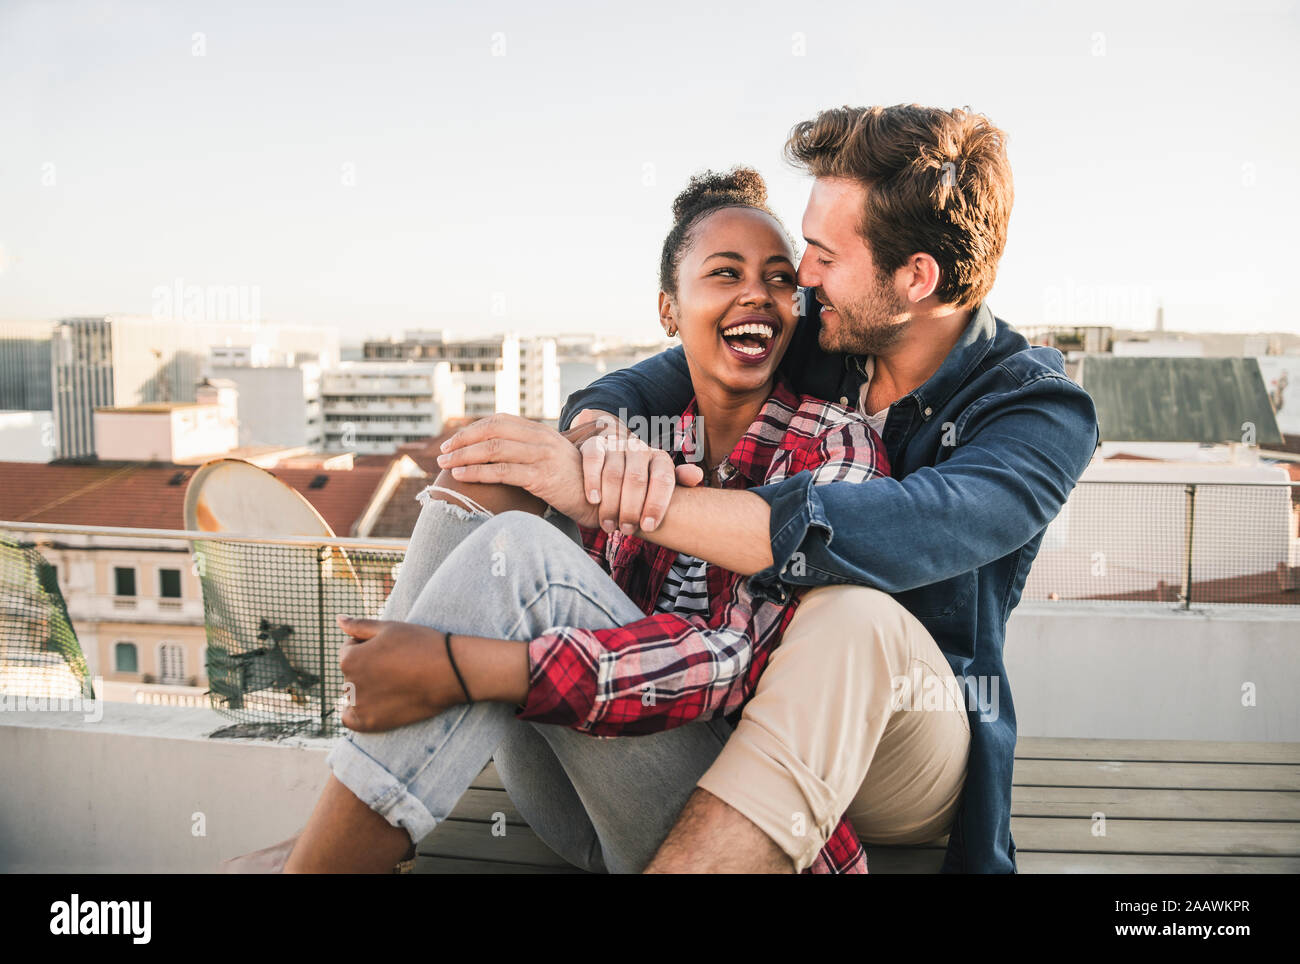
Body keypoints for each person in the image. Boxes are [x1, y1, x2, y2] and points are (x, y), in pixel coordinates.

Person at [442, 104, 1100, 873]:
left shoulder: (1038, 411)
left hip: (908, 746)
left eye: (821, 254)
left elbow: (893, 527)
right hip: (736, 711)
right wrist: (602, 439)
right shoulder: (829, 328)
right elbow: (653, 376)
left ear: (917, 277)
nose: (803, 278)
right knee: (492, 491)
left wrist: (640, 505)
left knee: (851, 614)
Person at [278, 166, 969, 874]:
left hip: (709, 812)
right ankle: (329, 833)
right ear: (670, 311)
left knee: (517, 555)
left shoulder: (835, 443)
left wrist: (469, 668)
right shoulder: (635, 437)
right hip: (579, 800)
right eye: (724, 273)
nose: (757, 293)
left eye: (779, 279)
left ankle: (316, 863)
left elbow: (735, 667)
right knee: (486, 473)